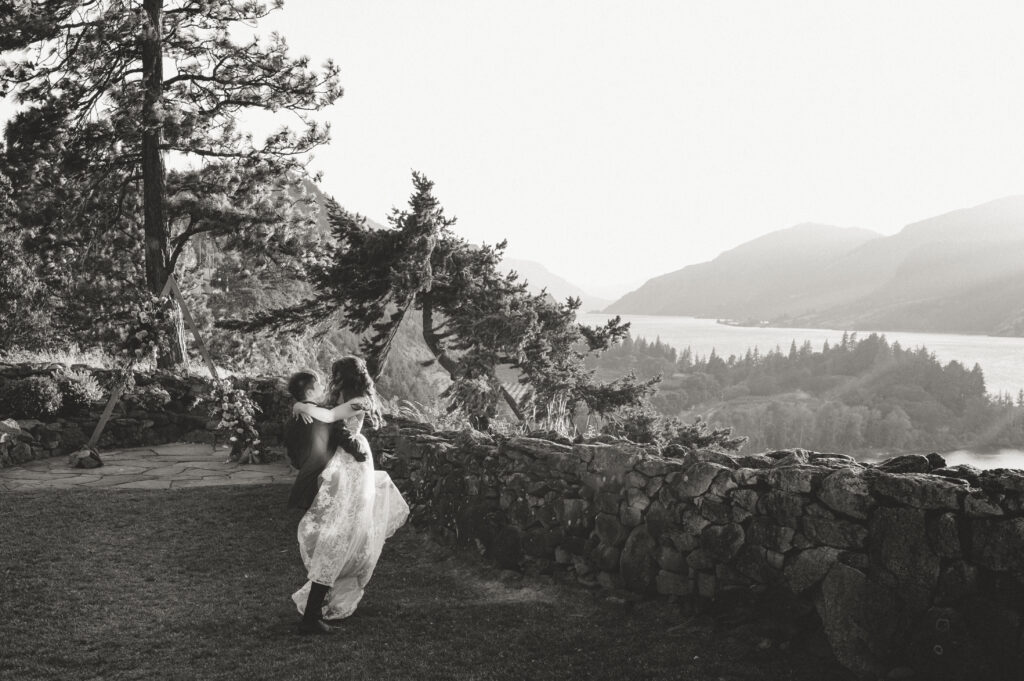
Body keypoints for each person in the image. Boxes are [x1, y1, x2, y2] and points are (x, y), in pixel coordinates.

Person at [290, 356, 410, 635]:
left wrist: (299, 404)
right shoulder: (344, 396)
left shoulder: (360, 401)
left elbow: (330, 417)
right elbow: (327, 418)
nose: (332, 379)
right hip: (341, 466)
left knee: (341, 533)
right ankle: (314, 611)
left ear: (344, 376)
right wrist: (302, 405)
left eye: (335, 374)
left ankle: (314, 612)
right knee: (336, 533)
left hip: (353, 470)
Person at [283, 370, 368, 511]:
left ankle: (306, 500)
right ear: (310, 393)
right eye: (319, 385)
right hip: (324, 470)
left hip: (305, 469)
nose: (323, 387)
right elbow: (343, 436)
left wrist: (299, 405)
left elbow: (290, 446)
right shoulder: (324, 416)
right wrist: (360, 453)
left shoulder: (292, 420)